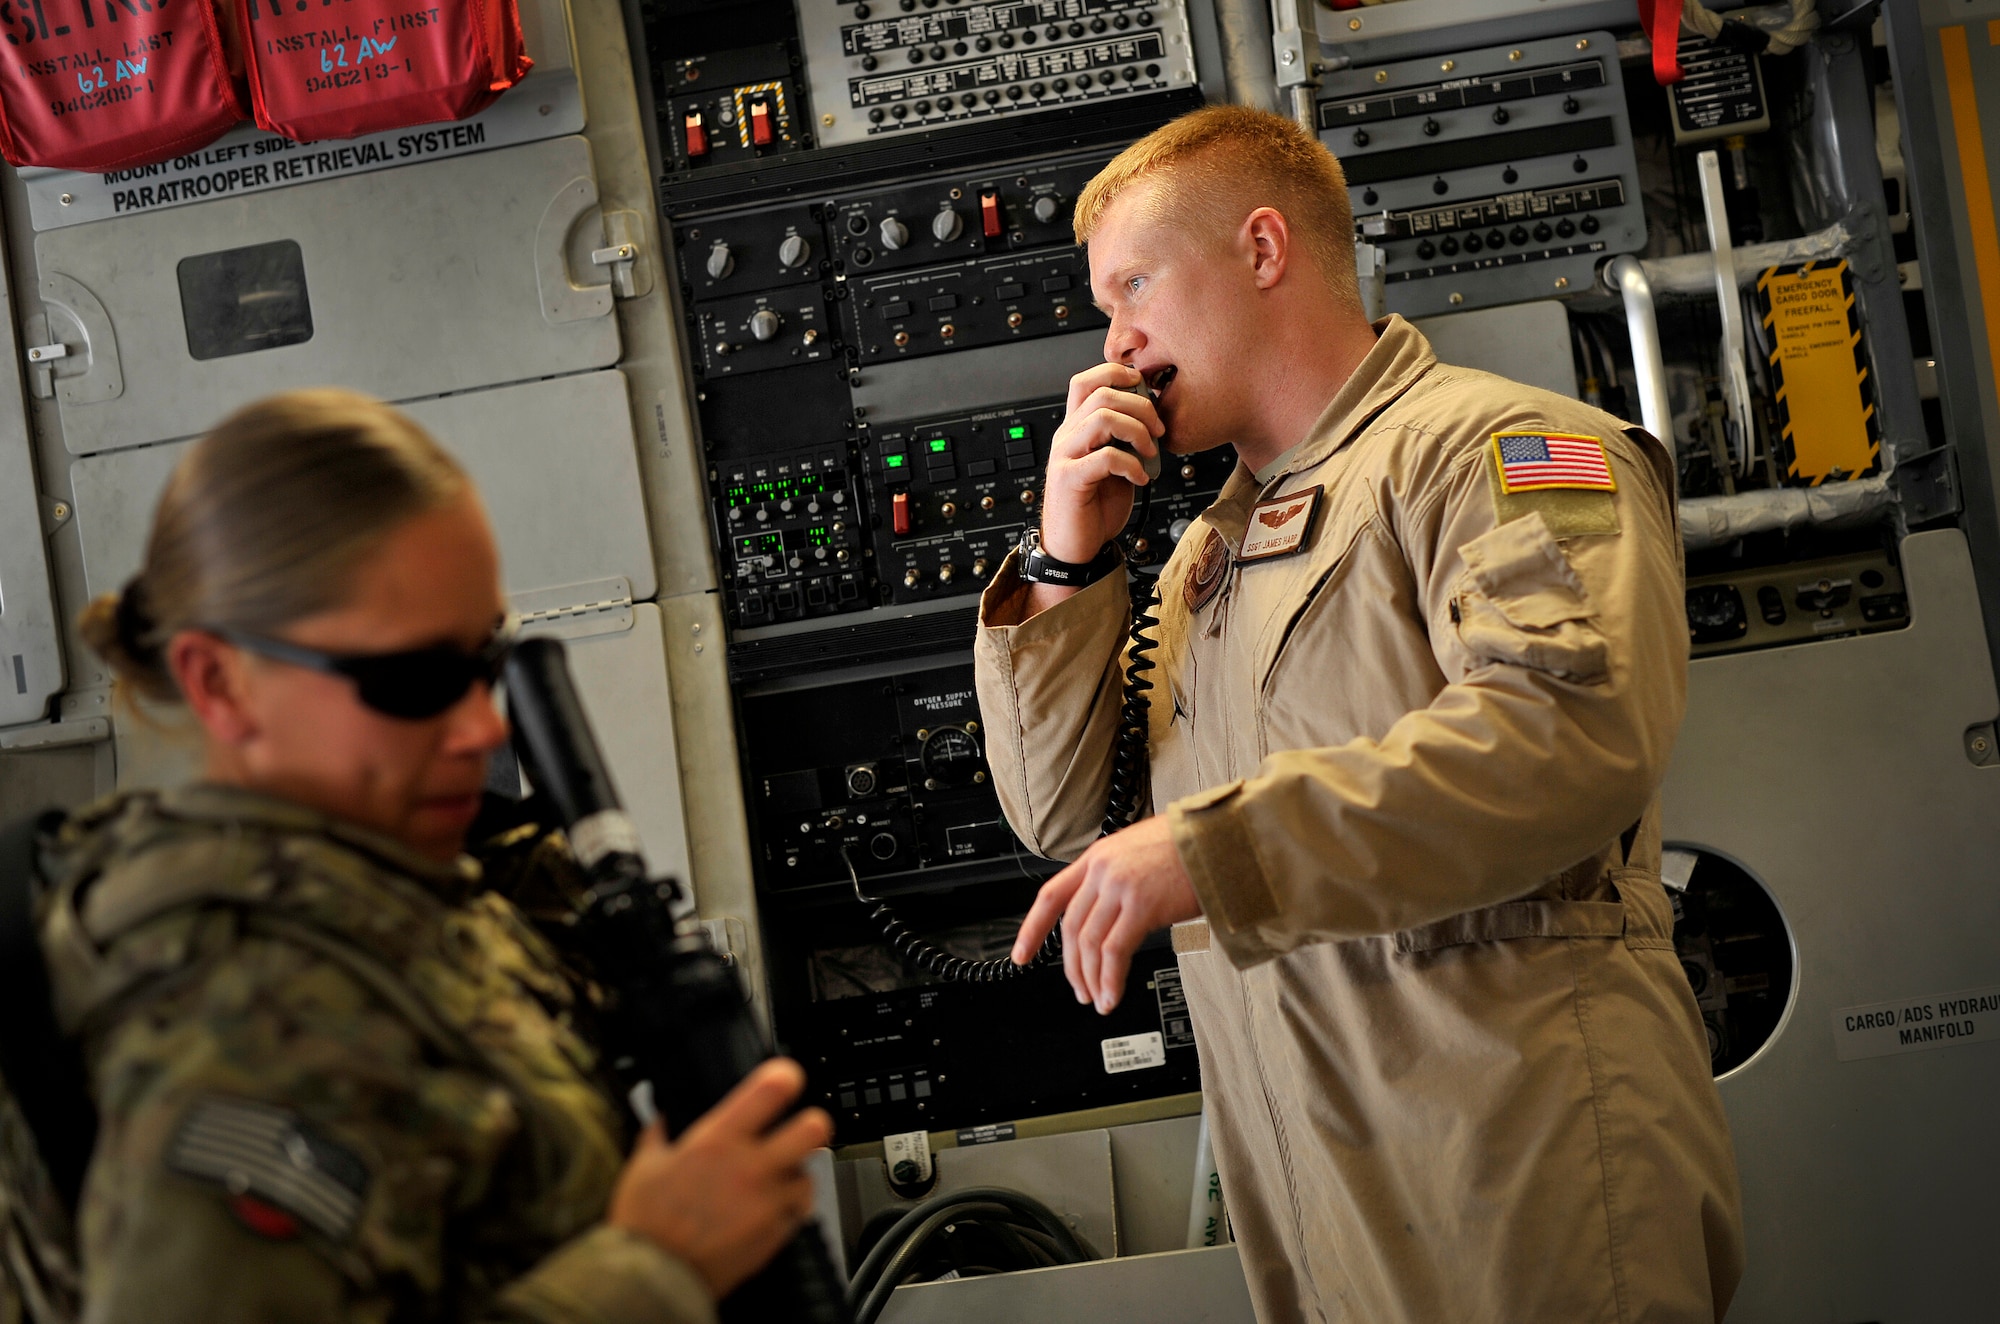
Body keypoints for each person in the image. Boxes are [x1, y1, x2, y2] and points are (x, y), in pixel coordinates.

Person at [974, 106, 1745, 1322]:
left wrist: (1215, 849)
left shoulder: (1510, 448)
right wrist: (1066, 567)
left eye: (1131, 289)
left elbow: (1567, 736)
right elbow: (1061, 815)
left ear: (1263, 249)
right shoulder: (1201, 563)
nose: (1111, 345)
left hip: (1522, 1179)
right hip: (1323, 1207)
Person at [0, 390, 831, 1323]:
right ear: (220, 682)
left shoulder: (385, 880)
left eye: (481, 664)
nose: (482, 728)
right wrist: (654, 1267)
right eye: (411, 681)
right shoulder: (234, 1014)